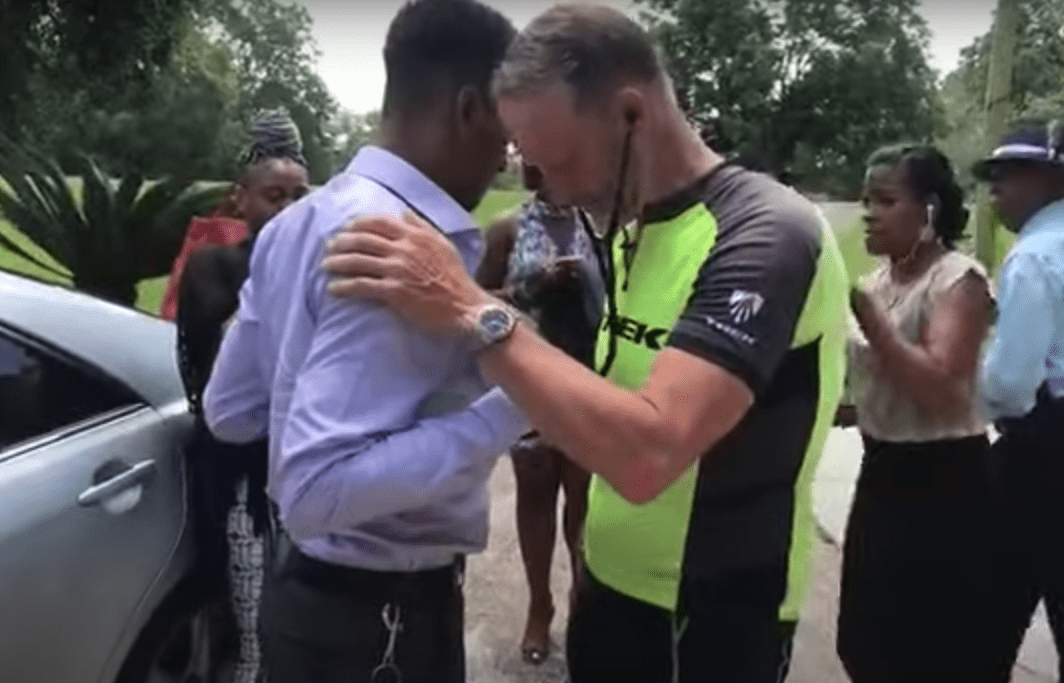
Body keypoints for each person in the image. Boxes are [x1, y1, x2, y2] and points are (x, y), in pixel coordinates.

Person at [321, 4, 850, 682]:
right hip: (609, 588)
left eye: (561, 162)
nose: (556, 194)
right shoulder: (628, 225)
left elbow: (647, 454)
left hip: (714, 612)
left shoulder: (766, 233)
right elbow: (598, 392)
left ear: (632, 112)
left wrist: (470, 306)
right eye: (534, 169)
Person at [201, 2, 525, 682]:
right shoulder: (402, 246)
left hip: (304, 603)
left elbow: (229, 410)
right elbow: (316, 487)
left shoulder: (299, 223)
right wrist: (515, 406)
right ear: (470, 108)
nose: (508, 155)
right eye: (508, 127)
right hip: (380, 629)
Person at [834, 144, 1002, 682]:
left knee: (930, 648)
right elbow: (876, 386)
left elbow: (943, 391)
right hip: (884, 471)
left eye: (885, 200)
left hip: (945, 483)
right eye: (866, 200)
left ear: (929, 211)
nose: (868, 213)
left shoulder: (958, 281)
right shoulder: (880, 283)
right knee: (863, 640)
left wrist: (872, 323)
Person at [176, 108, 310, 683]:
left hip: (303, 469)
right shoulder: (214, 265)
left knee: (304, 610)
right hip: (241, 477)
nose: (287, 209)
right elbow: (222, 360)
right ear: (239, 199)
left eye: (300, 197)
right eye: (273, 196)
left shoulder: (316, 266)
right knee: (253, 622)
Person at [476, 162, 602, 664]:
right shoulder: (508, 227)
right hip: (527, 382)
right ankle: (539, 607)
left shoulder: (600, 224)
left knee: (583, 502)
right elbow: (475, 299)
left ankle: (579, 601)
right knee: (535, 495)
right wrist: (535, 285)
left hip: (589, 380)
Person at [972, 123, 1064, 678]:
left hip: (1046, 454)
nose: (996, 188)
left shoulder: (1034, 257)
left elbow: (1009, 382)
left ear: (1051, 178)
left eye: (1010, 175)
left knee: (987, 615)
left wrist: (960, 400)